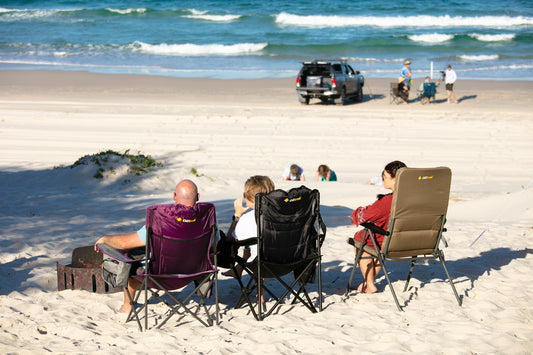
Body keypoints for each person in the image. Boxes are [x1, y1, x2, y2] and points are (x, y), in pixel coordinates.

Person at [94, 179, 200, 313]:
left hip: (158, 275)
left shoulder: (162, 220)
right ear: (198, 197)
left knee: (131, 258)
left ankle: (128, 306)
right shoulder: (206, 219)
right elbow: (214, 243)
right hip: (194, 272)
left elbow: (124, 243)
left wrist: (105, 239)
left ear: (174, 196)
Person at [350, 160, 407, 294]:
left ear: (395, 180)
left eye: (385, 177)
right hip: (411, 242)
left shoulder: (388, 201)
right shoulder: (414, 198)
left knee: (361, 239)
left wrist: (358, 212)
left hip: (390, 242)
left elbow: (365, 216)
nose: (382, 179)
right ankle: (367, 282)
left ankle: (369, 284)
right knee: (374, 240)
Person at [223, 176, 275, 277]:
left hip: (260, 264)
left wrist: (237, 216)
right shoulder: (282, 213)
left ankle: (240, 269)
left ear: (251, 198)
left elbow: (229, 239)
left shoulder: (247, 218)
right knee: (255, 240)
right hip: (286, 261)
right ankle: (239, 269)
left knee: (251, 240)